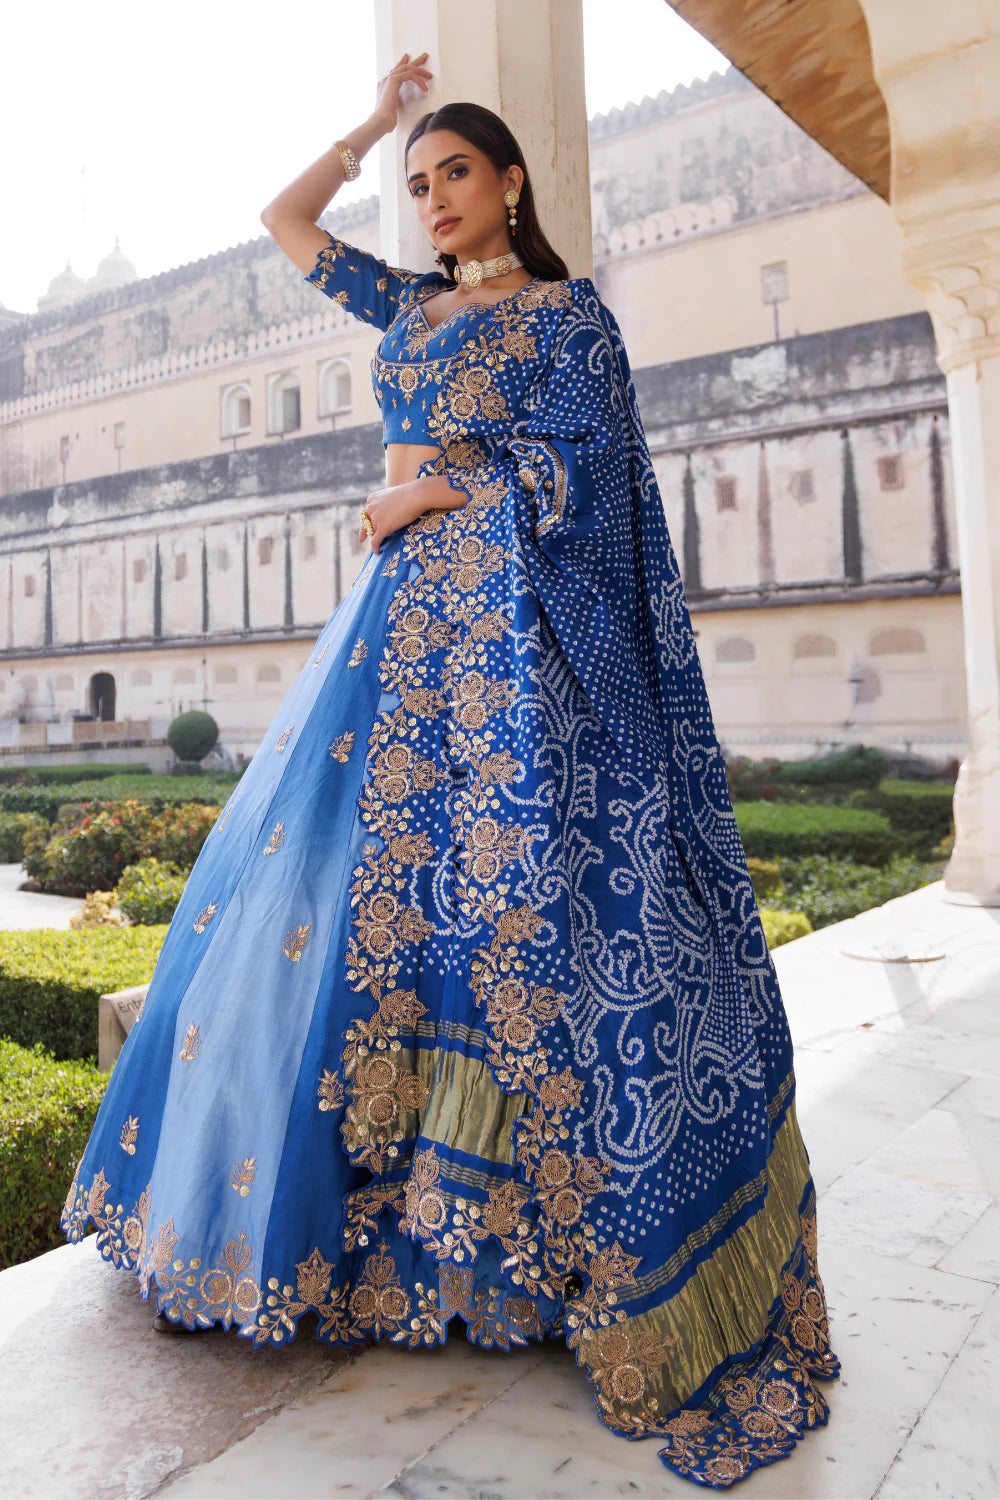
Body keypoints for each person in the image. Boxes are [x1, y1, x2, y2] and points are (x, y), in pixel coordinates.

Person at [60, 52, 841, 1491]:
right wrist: (373, 123)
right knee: (332, 904)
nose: (432, 201)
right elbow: (285, 223)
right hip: (393, 635)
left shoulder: (566, 317)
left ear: (513, 182)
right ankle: (351, 1233)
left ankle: (510, 1251)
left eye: (455, 173)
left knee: (512, 915)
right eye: (418, 185)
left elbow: (596, 489)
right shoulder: (406, 307)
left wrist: (438, 487)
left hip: (516, 650)